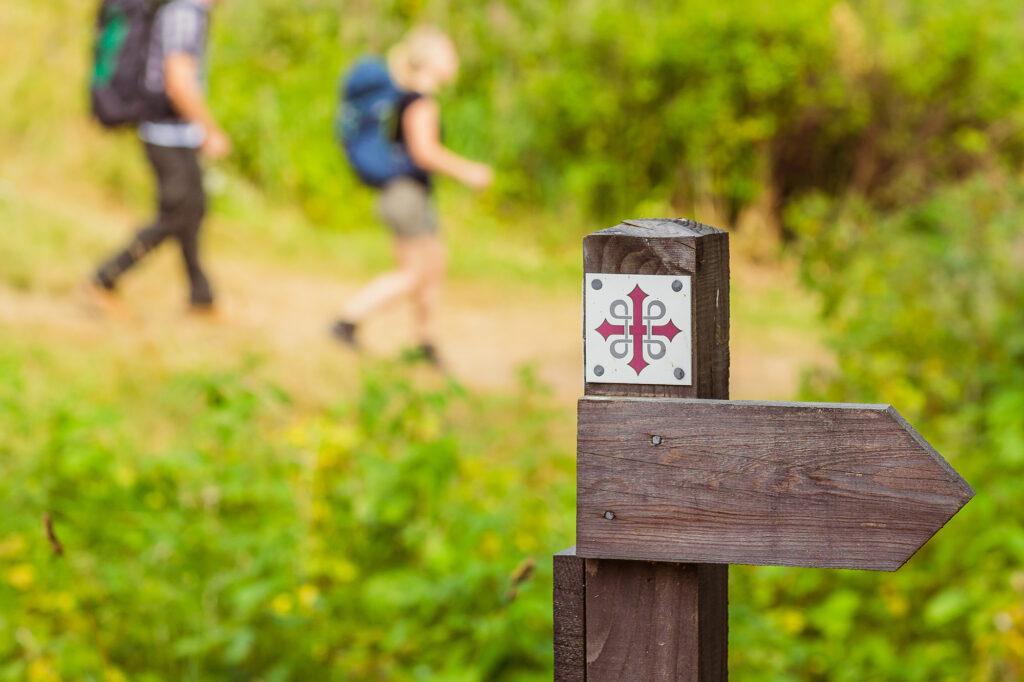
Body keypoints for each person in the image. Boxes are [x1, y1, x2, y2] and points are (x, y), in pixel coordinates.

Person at [331, 26, 493, 365]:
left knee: (433, 267)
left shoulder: (406, 97)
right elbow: (424, 153)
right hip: (406, 196)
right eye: (449, 53)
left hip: (410, 195)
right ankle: (346, 320)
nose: (455, 61)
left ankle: (425, 343)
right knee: (413, 274)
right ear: (430, 61)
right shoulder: (419, 102)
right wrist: (469, 172)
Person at [85, 0, 230, 316]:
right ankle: (104, 278)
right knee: (176, 213)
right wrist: (209, 129)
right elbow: (178, 79)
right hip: (165, 129)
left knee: (192, 209)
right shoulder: (184, 13)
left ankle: (201, 297)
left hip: (175, 130)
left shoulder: (187, 11)